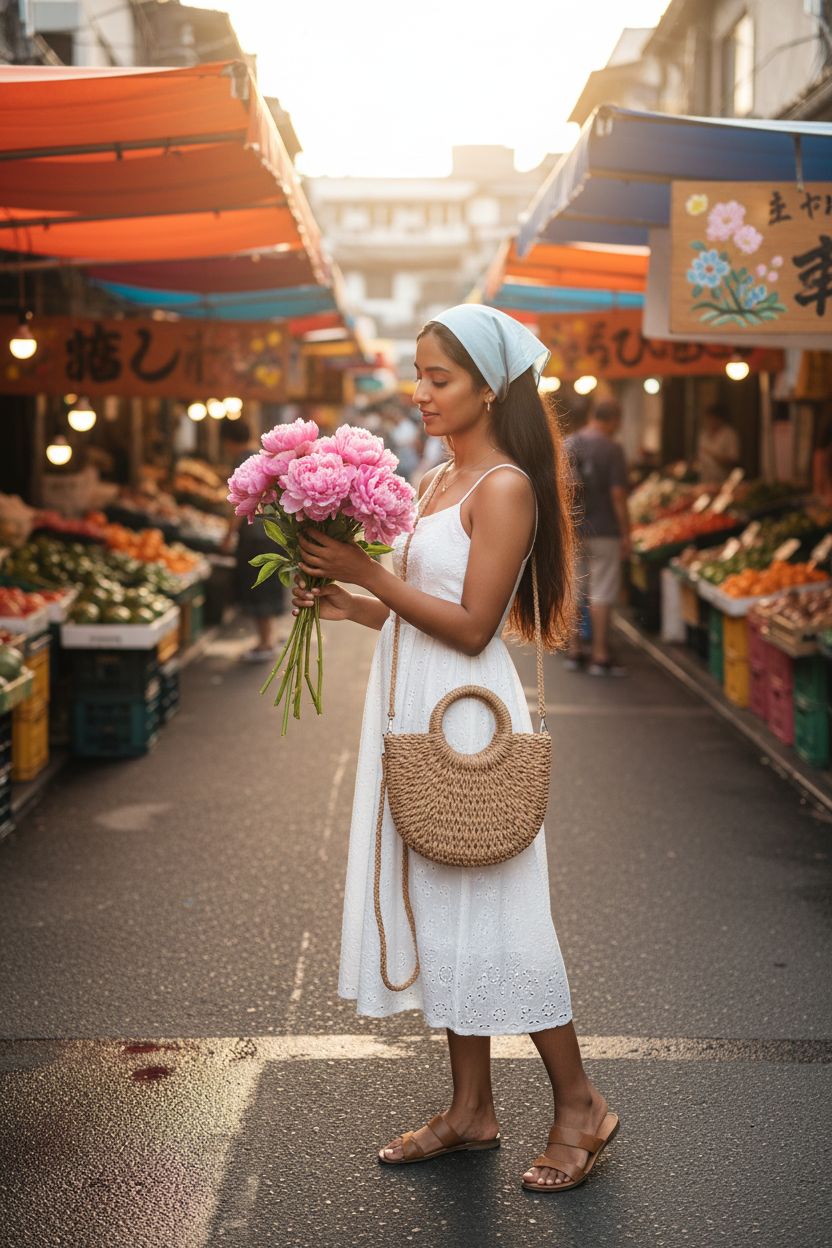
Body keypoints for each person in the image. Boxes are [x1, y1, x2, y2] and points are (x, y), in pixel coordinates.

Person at [290, 304, 620, 1193]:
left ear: (490, 386)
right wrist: (343, 599)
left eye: (440, 377)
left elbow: (473, 628)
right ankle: (472, 1109)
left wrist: (370, 575)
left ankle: (579, 1103)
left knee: (505, 920)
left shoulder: (504, 485)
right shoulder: (438, 479)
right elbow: (415, 607)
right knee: (446, 915)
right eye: (421, 373)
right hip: (414, 706)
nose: (422, 391)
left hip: (469, 718)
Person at [565, 399, 631, 676]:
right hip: (604, 530)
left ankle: (574, 649)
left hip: (573, 528)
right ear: (614, 420)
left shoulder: (568, 444)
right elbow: (618, 495)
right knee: (602, 591)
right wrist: (627, 532)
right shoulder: (612, 448)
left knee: (574, 587)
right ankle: (600, 655)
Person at [221, 419, 287, 662]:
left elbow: (239, 502)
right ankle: (270, 636)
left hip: (255, 535)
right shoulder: (260, 458)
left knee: (259, 586)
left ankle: (265, 642)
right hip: (272, 531)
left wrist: (228, 535)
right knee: (268, 584)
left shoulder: (242, 462)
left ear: (227, 441)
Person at [695, 402, 740, 486]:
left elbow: (733, 459)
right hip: (704, 480)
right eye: (708, 418)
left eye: (712, 418)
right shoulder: (703, 434)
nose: (709, 421)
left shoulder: (729, 434)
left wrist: (712, 454)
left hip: (723, 481)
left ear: (719, 419)